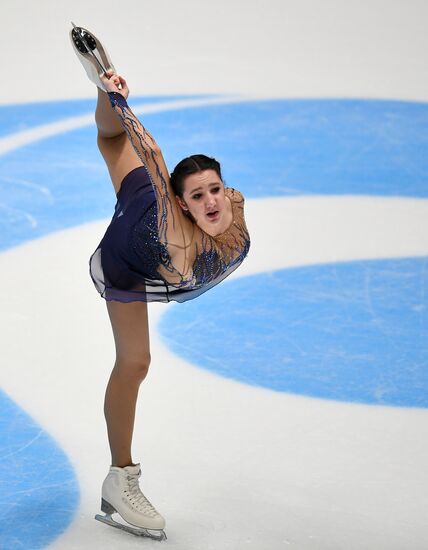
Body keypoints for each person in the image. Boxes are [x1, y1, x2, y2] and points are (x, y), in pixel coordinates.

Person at [70, 24, 250, 540]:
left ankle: (99, 78)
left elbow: (205, 187)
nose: (212, 202)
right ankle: (120, 477)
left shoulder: (231, 206)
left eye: (215, 189)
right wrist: (123, 104)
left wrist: (208, 188)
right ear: (182, 205)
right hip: (132, 246)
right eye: (198, 196)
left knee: (108, 141)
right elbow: (149, 154)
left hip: (153, 200)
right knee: (136, 361)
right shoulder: (174, 229)